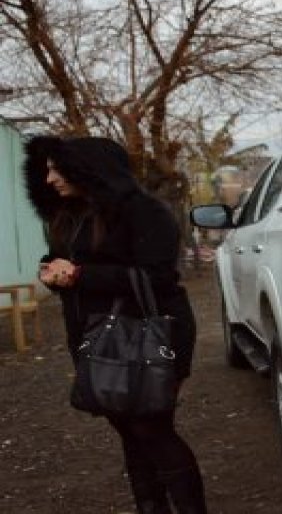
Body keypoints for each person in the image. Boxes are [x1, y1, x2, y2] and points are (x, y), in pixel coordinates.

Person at [24, 136, 206, 514]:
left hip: (149, 336)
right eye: (46, 170)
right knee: (128, 430)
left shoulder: (144, 212)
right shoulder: (73, 215)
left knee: (151, 429)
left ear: (87, 168)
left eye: (56, 169)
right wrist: (52, 271)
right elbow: (66, 260)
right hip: (96, 339)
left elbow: (156, 276)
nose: (49, 179)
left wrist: (79, 275)